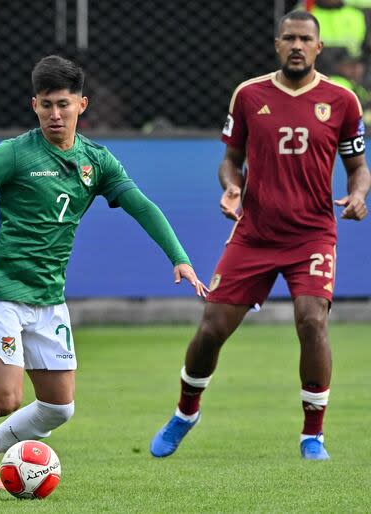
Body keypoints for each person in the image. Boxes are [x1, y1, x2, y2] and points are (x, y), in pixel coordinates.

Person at [0, 55, 207, 489]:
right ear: (34, 105)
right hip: (1, 293)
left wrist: (177, 256)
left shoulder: (97, 161)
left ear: (81, 105)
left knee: (57, 408)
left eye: (64, 104)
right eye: (46, 104)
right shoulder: (14, 153)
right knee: (5, 399)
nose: (55, 114)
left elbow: (142, 206)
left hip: (49, 300)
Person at [149, 11, 370, 461]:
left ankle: (313, 435)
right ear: (276, 44)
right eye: (288, 37)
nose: (296, 45)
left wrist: (359, 195)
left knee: (312, 321)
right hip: (253, 233)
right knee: (211, 329)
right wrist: (230, 185)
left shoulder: (342, 100)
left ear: (318, 47)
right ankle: (185, 413)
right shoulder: (249, 95)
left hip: (312, 233)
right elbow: (230, 159)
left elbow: (358, 167)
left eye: (305, 39)